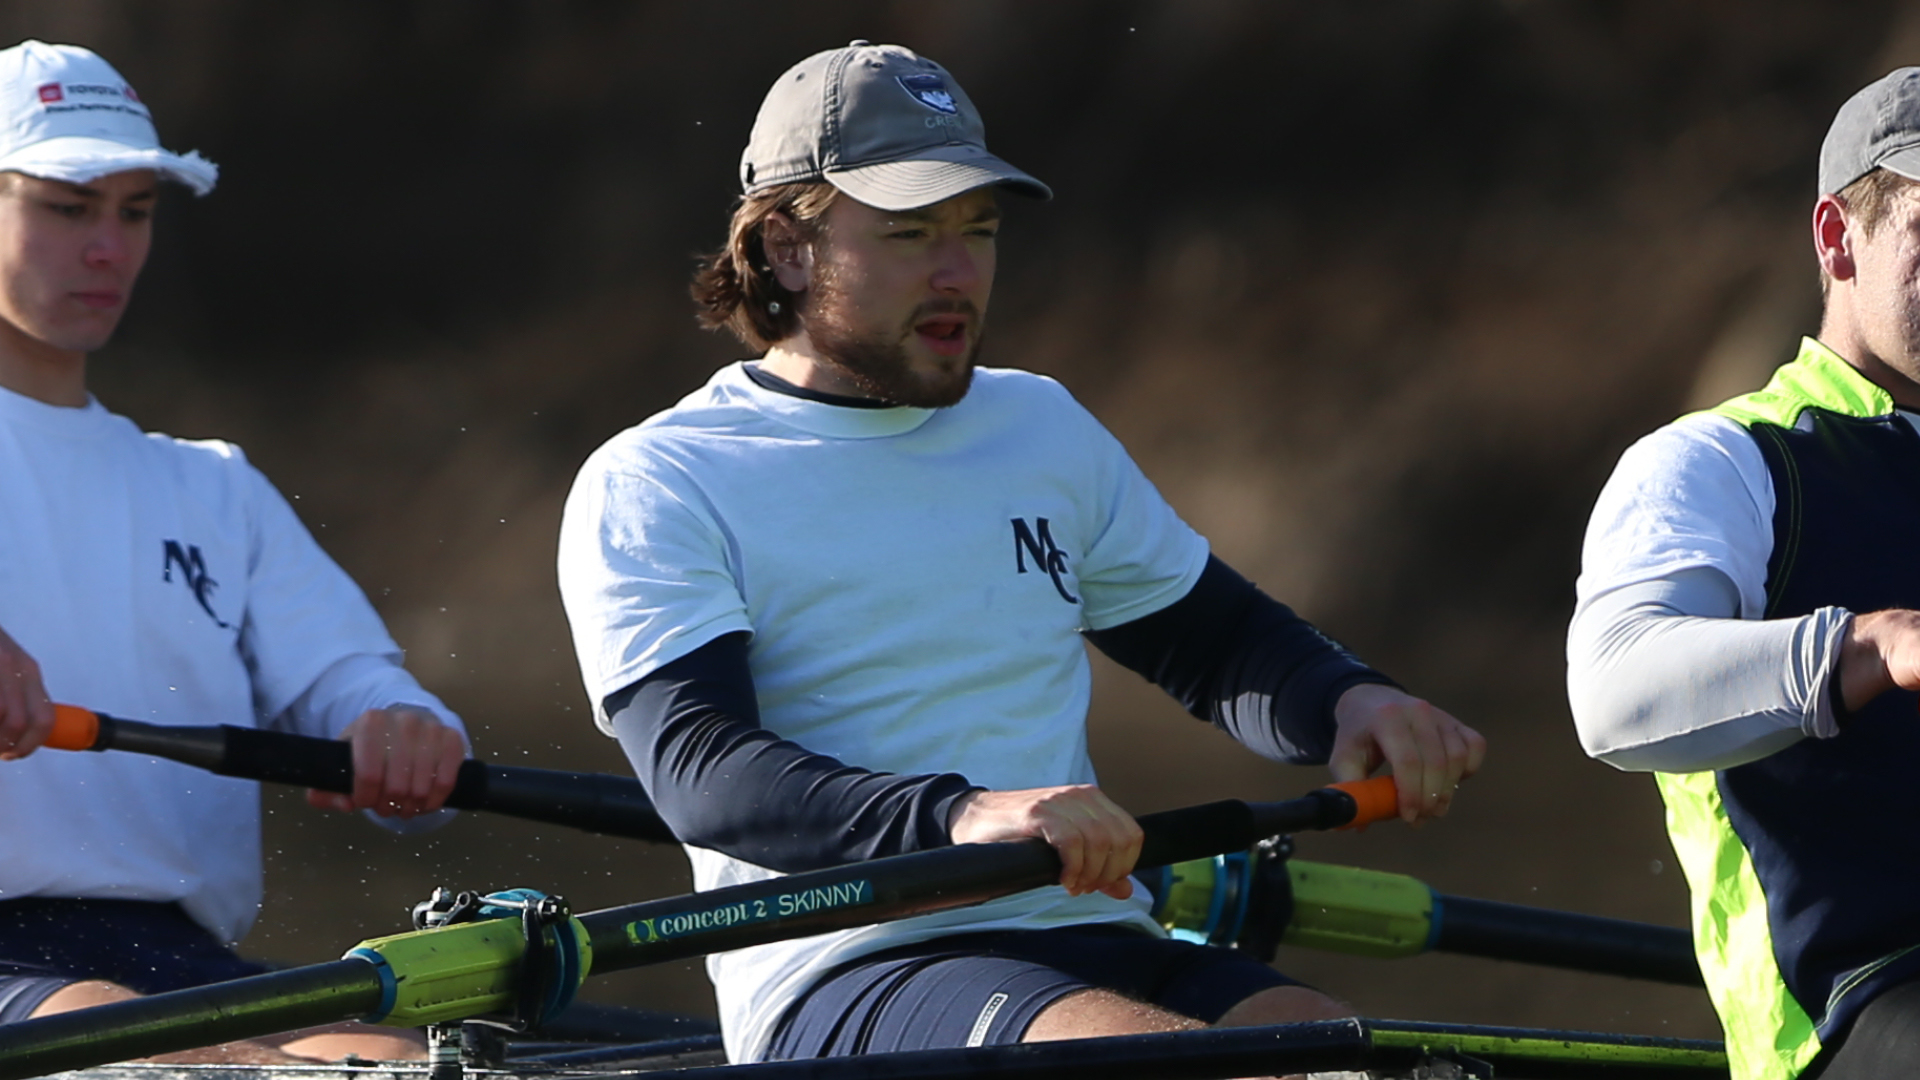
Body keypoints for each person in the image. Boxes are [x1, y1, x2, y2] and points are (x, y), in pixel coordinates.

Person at [558, 40, 1486, 1067]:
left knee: (1358, 1064)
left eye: (980, 230)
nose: (959, 272)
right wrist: (959, 814)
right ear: (786, 248)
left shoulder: (1038, 426)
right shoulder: (660, 479)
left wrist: (1353, 700)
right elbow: (702, 772)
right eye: (912, 233)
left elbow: (1218, 644)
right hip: (854, 970)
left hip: (1095, 930)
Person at [0, 40, 467, 1063]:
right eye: (68, 207)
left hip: (181, 959)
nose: (108, 249)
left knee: (406, 1065)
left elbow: (355, 682)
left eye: (135, 213)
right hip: (16, 974)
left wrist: (403, 730)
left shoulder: (211, 484)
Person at [1567, 67, 1920, 1080]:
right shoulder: (1722, 463)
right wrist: (1872, 644)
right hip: (1857, 1003)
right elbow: (1614, 694)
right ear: (1836, 239)